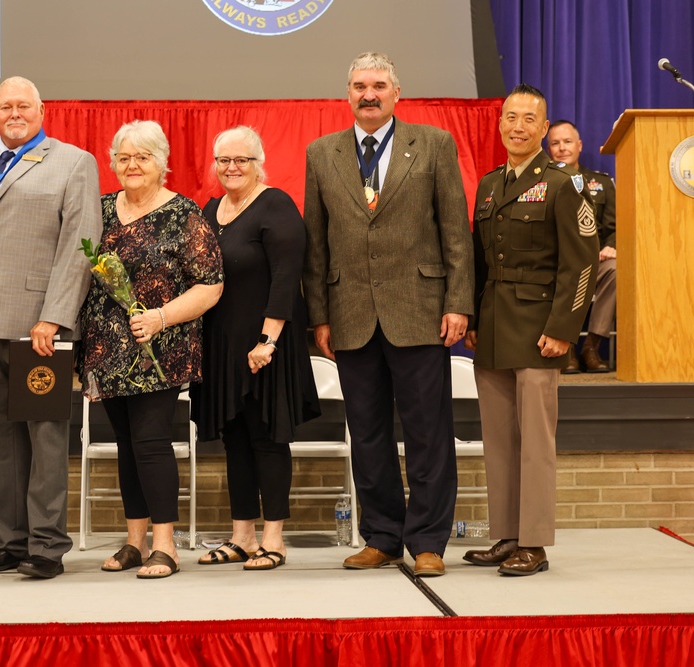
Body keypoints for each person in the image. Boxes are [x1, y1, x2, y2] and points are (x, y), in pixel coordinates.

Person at [302, 52, 474, 577]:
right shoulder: (321, 153)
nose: (368, 93)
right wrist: (319, 315)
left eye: (378, 85)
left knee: (428, 432)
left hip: (421, 311)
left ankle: (427, 542)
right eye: (359, 85)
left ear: (396, 93)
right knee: (368, 433)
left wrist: (458, 302)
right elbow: (315, 242)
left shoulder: (435, 144)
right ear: (347, 94)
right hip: (350, 314)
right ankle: (381, 537)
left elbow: (455, 232)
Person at [0, 77, 101, 579]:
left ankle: (46, 545)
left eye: (24, 106)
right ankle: (9, 541)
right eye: (6, 106)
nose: (14, 113)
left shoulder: (73, 162)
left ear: (43, 109)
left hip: (40, 328)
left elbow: (80, 246)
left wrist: (55, 316)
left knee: (45, 440)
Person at [78, 120, 224, 579]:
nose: (132, 165)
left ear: (163, 163)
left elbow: (211, 285)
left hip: (159, 349)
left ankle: (166, 546)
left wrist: (161, 317)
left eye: (143, 156)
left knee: (151, 442)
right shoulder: (99, 210)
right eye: (123, 157)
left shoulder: (184, 214)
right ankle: (134, 543)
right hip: (106, 348)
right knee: (125, 446)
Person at [463, 85, 598, 576]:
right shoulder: (489, 184)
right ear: (499, 124)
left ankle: (535, 544)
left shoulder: (563, 185)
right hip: (496, 326)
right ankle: (508, 534)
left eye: (529, 119)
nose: (517, 126)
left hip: (541, 327)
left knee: (536, 441)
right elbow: (481, 262)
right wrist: (474, 319)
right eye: (510, 117)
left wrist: (564, 329)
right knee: (499, 440)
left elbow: (580, 263)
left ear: (545, 129)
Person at [191, 126, 320, 571]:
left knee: (267, 439)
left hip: (265, 346)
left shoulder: (276, 205)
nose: (231, 168)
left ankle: (274, 539)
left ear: (257, 162)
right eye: (223, 160)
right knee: (235, 440)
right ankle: (242, 536)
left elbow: (287, 276)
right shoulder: (211, 209)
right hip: (221, 346)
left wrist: (268, 340)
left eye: (241, 160)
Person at [547, 120, 616, 373]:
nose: (562, 148)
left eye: (567, 142)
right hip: (556, 264)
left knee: (616, 270)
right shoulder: (542, 182)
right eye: (555, 143)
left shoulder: (602, 183)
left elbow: (615, 227)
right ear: (548, 149)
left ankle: (591, 346)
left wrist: (612, 247)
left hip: (595, 262)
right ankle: (567, 348)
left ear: (579, 145)